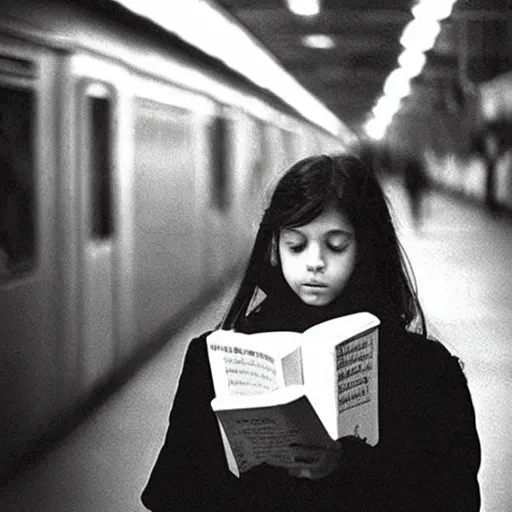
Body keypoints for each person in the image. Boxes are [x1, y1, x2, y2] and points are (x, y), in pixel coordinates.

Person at [141, 154, 481, 511]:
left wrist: (349, 466)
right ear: (274, 248)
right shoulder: (214, 361)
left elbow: (453, 497)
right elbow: (173, 493)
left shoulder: (428, 373)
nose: (315, 261)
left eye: (336, 245)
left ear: (366, 248)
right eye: (296, 245)